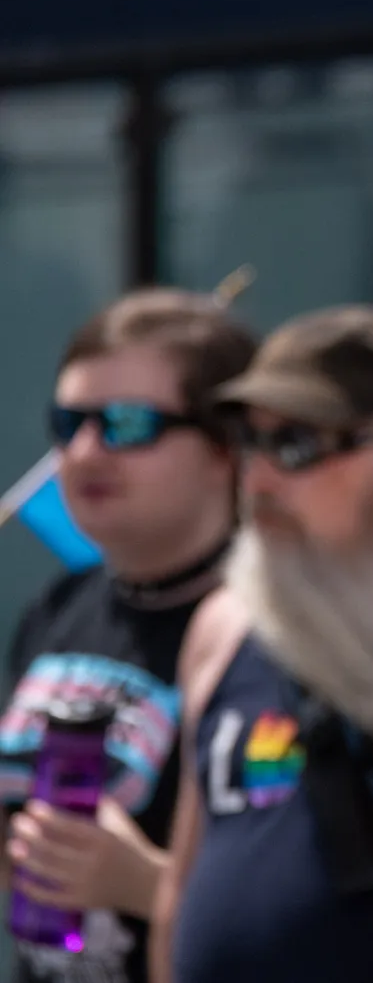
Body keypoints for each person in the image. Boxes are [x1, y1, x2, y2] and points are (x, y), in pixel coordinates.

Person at [150, 305, 373, 983]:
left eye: (296, 445)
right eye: (248, 441)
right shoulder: (225, 624)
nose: (259, 479)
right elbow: (181, 894)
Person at [0, 288, 258, 983]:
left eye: (126, 423)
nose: (83, 452)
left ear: (224, 446)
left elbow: (319, 910)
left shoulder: (273, 638)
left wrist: (146, 884)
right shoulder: (58, 604)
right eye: (68, 421)